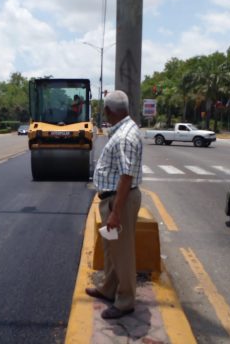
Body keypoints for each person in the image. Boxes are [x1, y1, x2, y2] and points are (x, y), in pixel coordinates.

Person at [85, 90, 143, 320]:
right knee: (111, 249)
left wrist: (116, 213)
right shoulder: (122, 131)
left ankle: (126, 301)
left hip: (120, 201)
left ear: (109, 111)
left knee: (123, 253)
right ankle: (108, 289)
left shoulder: (125, 137)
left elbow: (126, 177)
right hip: (112, 200)